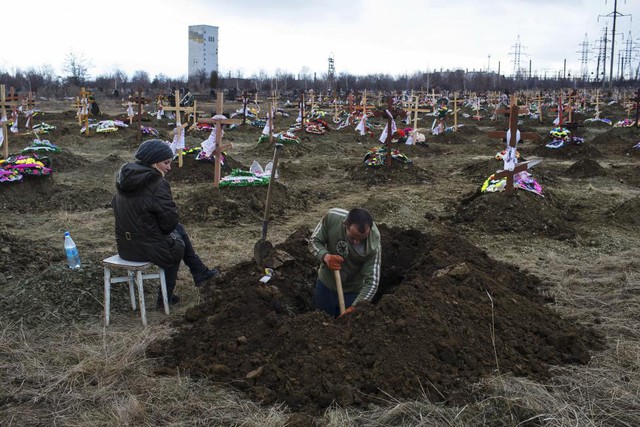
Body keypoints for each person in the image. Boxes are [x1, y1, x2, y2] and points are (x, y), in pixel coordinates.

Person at [111, 139, 219, 308]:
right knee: (176, 246)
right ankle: (165, 299)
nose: (169, 167)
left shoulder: (123, 182)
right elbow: (168, 224)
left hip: (125, 248)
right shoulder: (157, 184)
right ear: (153, 163)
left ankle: (200, 272)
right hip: (146, 248)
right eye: (166, 163)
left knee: (178, 230)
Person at [309, 208, 381, 317]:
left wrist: (356, 306)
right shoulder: (332, 218)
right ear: (345, 225)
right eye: (352, 238)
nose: (356, 242)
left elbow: (372, 282)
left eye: (362, 239)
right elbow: (313, 241)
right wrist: (325, 256)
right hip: (325, 285)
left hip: (351, 292)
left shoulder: (373, 245)